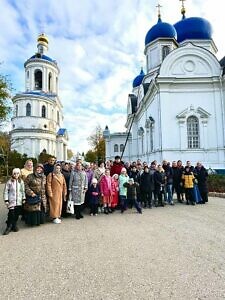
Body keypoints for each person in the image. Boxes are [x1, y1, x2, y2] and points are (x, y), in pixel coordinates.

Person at [3, 168, 26, 235]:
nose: (16, 175)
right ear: (12, 174)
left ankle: (14, 225)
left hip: (18, 201)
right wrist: (6, 200)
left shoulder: (21, 181)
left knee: (16, 214)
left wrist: (23, 198)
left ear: (19, 174)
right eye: (14, 173)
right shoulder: (9, 181)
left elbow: (22, 191)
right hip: (11, 201)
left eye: (17, 173)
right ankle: (8, 227)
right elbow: (6, 191)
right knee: (11, 214)